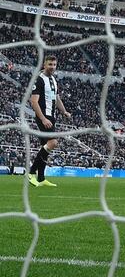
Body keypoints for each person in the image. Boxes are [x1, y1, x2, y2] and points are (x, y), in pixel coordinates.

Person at [27, 55, 71, 187]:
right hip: (43, 116)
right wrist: (43, 118)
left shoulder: (52, 79)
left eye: (54, 65)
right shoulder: (39, 80)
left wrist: (64, 112)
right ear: (44, 65)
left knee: (46, 148)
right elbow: (33, 101)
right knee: (53, 142)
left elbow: (56, 98)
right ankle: (31, 172)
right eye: (50, 64)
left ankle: (41, 178)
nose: (52, 67)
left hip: (51, 116)